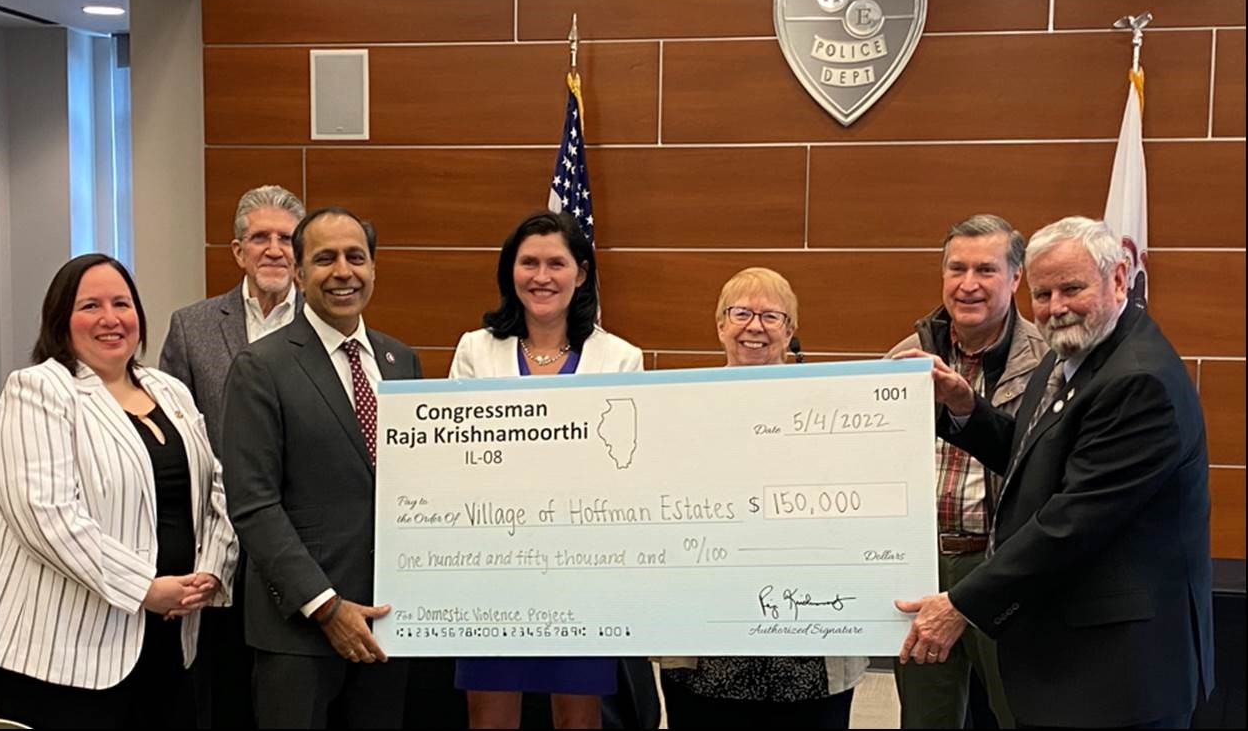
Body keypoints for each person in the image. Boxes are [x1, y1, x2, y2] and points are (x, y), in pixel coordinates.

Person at [896, 217, 1214, 729]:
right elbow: (1033, 458)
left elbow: (1072, 522)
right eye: (1043, 295)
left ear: (1118, 279)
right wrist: (965, 407)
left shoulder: (1138, 381)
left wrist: (961, 604)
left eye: (1072, 289)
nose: (1056, 307)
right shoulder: (1073, 354)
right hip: (1073, 655)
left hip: (1119, 673)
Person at [0, 254, 239, 729]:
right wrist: (145, 588)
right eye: (90, 306)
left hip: (167, 630)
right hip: (55, 647)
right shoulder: (37, 390)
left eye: (121, 304)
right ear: (60, 320)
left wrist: (209, 572)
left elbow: (216, 488)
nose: (110, 319)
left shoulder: (169, 389)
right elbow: (46, 517)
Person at [221, 207, 423, 729]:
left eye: (356, 257)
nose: (343, 272)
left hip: (387, 623)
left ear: (374, 268)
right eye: (325, 258)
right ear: (298, 272)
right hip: (300, 631)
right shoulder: (261, 366)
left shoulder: (401, 361)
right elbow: (254, 505)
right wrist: (327, 607)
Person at [450, 210, 643, 730]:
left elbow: (626, 466)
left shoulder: (620, 358)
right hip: (491, 568)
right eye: (528, 263)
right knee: (489, 715)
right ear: (510, 271)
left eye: (556, 263)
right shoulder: (475, 350)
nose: (541, 276)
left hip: (582, 567)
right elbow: (456, 456)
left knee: (578, 714)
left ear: (581, 273)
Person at [657, 267, 865, 729]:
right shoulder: (677, 408)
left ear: (790, 331)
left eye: (772, 316)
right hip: (707, 645)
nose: (755, 326)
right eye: (741, 314)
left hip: (808, 649)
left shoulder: (832, 407)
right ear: (720, 325)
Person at [887, 215, 1043, 729]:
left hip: (1003, 568)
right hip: (922, 566)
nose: (968, 284)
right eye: (957, 268)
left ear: (1015, 278)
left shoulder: (1049, 362)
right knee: (926, 718)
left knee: (1020, 712)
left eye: (986, 270)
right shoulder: (904, 359)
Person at [160, 184, 305, 729]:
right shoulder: (191, 326)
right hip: (218, 547)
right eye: (260, 237)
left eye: (286, 239)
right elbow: (171, 435)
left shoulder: (325, 322)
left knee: (291, 695)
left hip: (301, 542)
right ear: (238, 251)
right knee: (222, 694)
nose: (274, 249)